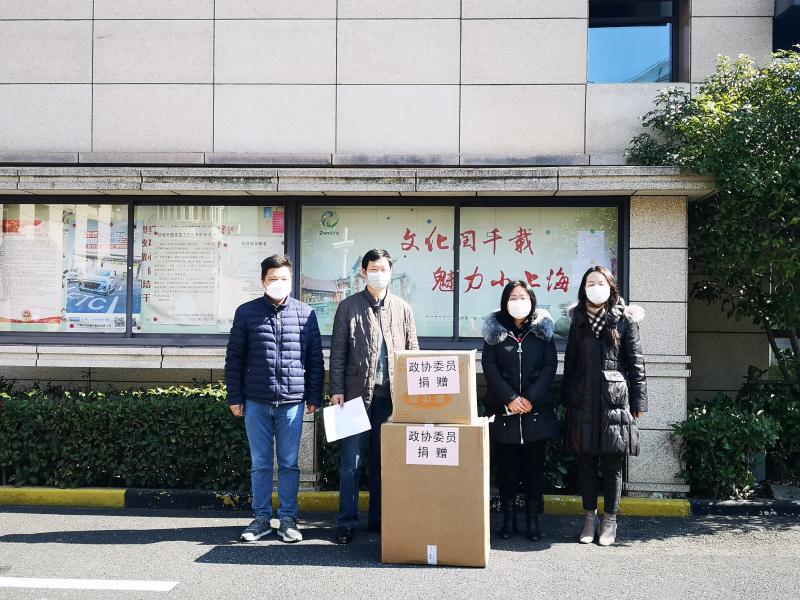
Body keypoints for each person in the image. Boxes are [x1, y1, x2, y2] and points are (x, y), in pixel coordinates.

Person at [225, 254, 324, 544]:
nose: (278, 283)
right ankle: (261, 519)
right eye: (273, 278)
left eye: (284, 278)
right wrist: (235, 396)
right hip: (256, 400)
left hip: (292, 402)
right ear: (262, 281)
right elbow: (235, 358)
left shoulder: (306, 313)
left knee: (290, 463)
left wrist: (314, 396)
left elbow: (315, 359)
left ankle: (289, 519)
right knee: (261, 463)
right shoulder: (246, 312)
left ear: (291, 281)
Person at [329, 249, 419, 544]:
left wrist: (412, 396)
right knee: (351, 462)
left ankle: (379, 518)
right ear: (364, 273)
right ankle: (346, 521)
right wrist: (336, 390)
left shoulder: (403, 308)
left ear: (390, 272)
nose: (379, 273)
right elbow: (338, 353)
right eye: (373, 269)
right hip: (353, 396)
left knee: (384, 461)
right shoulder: (348, 307)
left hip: (389, 399)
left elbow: (413, 353)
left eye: (384, 269)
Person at [561, 265, 647, 547]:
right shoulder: (578, 320)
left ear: (611, 287)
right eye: (590, 283)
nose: (595, 287)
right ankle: (590, 518)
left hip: (615, 402)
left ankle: (610, 520)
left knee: (612, 465)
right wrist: (567, 399)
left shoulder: (624, 320)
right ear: (583, 288)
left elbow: (636, 362)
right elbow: (571, 363)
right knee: (585, 463)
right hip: (583, 401)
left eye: (600, 282)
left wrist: (639, 400)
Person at [481, 281, 558, 542]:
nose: (518, 302)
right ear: (505, 302)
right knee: (507, 470)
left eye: (523, 297)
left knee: (534, 470)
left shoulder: (542, 331)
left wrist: (530, 398)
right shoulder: (495, 332)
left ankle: (532, 521)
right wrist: (511, 398)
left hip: (536, 413)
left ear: (532, 300)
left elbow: (549, 367)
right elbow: (489, 367)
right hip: (505, 413)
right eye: (513, 297)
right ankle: (509, 519)